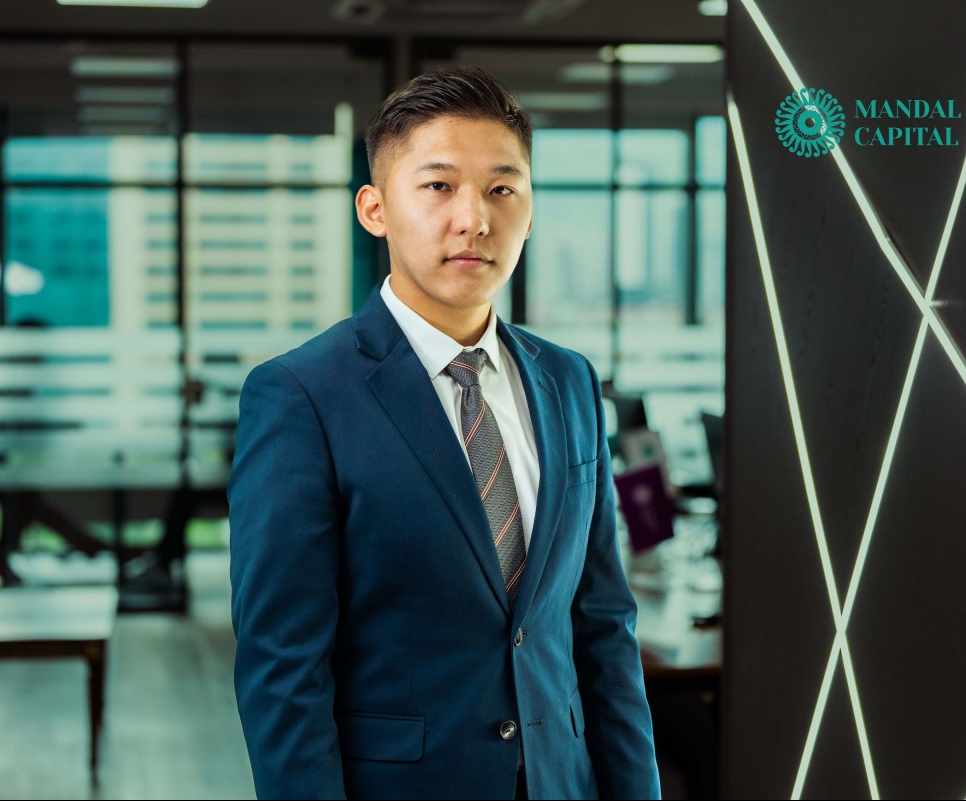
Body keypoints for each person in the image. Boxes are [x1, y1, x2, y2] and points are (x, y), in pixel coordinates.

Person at [228, 65, 660, 801]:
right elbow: (283, 669)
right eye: (438, 186)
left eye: (502, 188)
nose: (475, 218)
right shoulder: (301, 394)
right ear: (374, 208)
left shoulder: (570, 383)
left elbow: (603, 627)